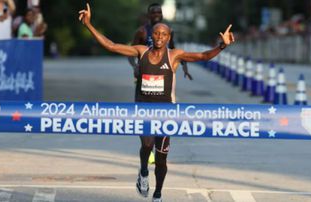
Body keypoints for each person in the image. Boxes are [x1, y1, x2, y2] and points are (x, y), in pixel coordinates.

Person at [78, 3, 234, 202]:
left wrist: (222, 46)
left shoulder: (174, 56)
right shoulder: (141, 51)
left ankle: (158, 193)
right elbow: (111, 45)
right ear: (152, 36)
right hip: (144, 109)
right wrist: (89, 25)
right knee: (146, 145)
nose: (159, 37)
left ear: (169, 38)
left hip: (166, 113)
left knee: (161, 159)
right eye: (157, 34)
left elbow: (203, 56)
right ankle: (143, 172)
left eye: (164, 35)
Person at [129, 3, 193, 81]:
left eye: (159, 12)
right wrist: (135, 67)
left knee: (167, 93)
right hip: (145, 72)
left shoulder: (169, 31)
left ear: (162, 14)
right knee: (143, 93)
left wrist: (184, 65)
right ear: (149, 15)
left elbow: (173, 50)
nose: (157, 15)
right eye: (153, 13)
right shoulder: (142, 31)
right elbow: (130, 53)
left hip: (164, 73)